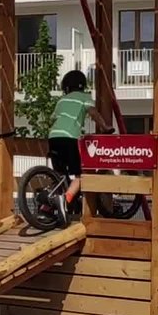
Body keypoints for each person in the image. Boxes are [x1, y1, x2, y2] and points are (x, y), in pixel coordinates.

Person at [48, 70, 110, 224]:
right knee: (80, 176)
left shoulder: (61, 100)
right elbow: (93, 112)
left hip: (53, 136)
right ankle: (66, 200)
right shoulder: (85, 98)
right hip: (70, 137)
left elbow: (53, 118)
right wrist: (104, 126)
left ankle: (47, 208)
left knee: (60, 176)